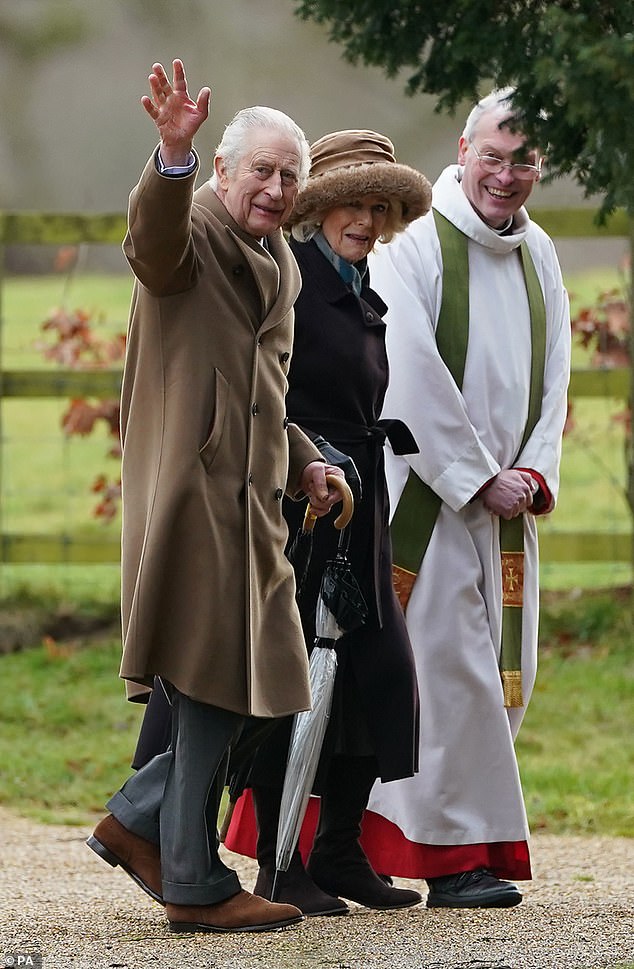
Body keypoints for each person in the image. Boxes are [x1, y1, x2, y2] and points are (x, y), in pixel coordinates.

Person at [85, 58, 346, 935]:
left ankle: (139, 817)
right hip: (193, 493)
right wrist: (170, 158)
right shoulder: (192, 230)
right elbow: (149, 248)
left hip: (254, 500)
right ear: (224, 172)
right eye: (260, 170)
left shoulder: (281, 261)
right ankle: (192, 875)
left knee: (263, 680)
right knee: (213, 675)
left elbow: (262, 392)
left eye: (289, 175)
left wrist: (305, 458)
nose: (275, 187)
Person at [356, 88, 571, 908]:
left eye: (524, 160)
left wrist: (532, 472)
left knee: (500, 677)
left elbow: (555, 374)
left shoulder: (541, 250)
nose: (507, 175)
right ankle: (452, 860)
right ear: (462, 147)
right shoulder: (411, 241)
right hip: (426, 500)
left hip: (508, 511)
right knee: (448, 679)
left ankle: (388, 842)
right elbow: (403, 365)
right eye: (494, 154)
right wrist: (478, 474)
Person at [222, 130, 432, 916]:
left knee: (381, 676)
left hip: (360, 497)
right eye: (355, 203)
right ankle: (281, 867)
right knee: (297, 683)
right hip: (302, 505)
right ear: (321, 207)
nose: (369, 219)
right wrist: (305, 469)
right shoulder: (294, 275)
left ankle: (340, 849)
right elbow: (268, 392)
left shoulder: (360, 281)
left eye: (381, 207)